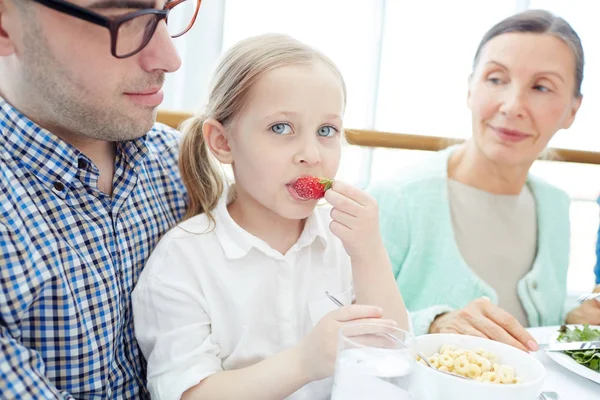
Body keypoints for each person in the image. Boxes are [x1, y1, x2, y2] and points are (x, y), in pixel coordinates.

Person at [132, 33, 409, 400]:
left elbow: (393, 355)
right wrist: (303, 363)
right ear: (223, 142)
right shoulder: (183, 259)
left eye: (326, 131)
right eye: (281, 128)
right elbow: (188, 393)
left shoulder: (344, 240)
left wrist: (370, 253)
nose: (311, 154)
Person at [0, 0, 201, 398]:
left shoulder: (183, 166)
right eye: (125, 20)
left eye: (165, 13)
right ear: (5, 28)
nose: (171, 58)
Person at [370, 9, 598, 348]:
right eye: (496, 79)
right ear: (470, 88)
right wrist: (432, 324)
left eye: (541, 87)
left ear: (573, 111)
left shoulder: (554, 205)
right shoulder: (395, 199)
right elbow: (342, 320)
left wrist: (571, 317)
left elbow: (527, 324)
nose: (512, 105)